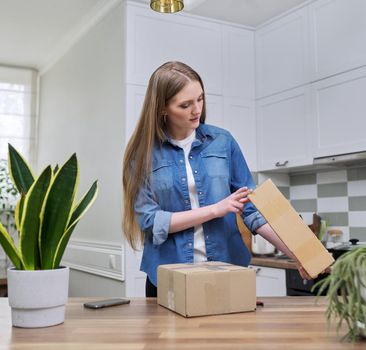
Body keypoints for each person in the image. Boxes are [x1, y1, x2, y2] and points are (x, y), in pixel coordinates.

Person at [122, 61, 310, 297]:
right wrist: (215, 210)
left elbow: (252, 209)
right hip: (168, 278)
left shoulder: (223, 141)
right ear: (162, 108)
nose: (196, 110)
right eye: (185, 104)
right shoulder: (142, 155)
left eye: (200, 99)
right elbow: (150, 221)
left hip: (226, 272)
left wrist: (299, 255)